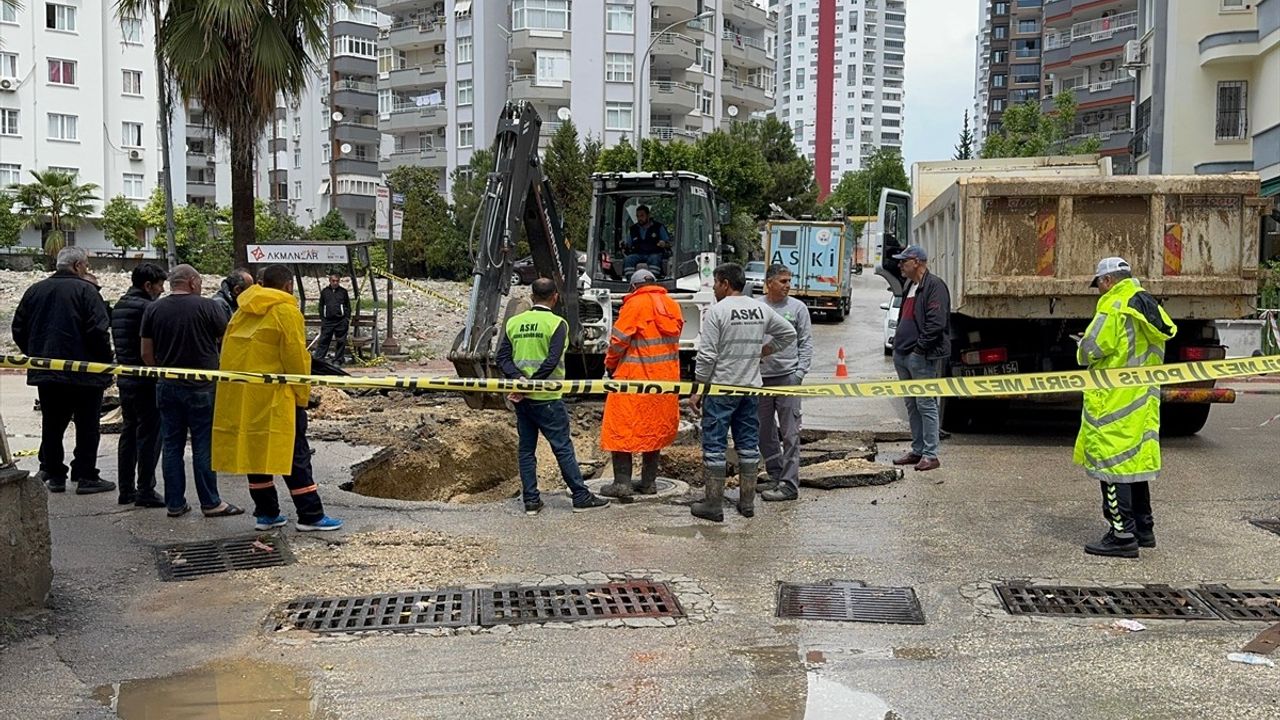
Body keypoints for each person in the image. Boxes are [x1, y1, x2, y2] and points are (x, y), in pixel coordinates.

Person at [213, 264, 343, 532]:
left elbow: (228, 350)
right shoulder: (286, 311)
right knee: (295, 455)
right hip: (278, 399)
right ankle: (310, 515)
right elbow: (296, 357)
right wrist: (302, 396)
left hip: (246, 396)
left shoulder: (243, 310)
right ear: (288, 286)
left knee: (256, 454)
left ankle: (267, 513)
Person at [1075, 257, 1176, 558]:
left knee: (1112, 467)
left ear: (1108, 281)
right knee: (1135, 466)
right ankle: (1144, 530)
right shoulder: (1149, 304)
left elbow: (1092, 348)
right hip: (1143, 399)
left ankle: (1121, 534)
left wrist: (1080, 347)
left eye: (1099, 285)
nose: (1099, 291)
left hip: (1114, 400)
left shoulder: (1113, 306)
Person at [690, 263, 797, 522]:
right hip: (750, 389)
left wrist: (698, 389)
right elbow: (789, 334)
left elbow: (707, 356)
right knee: (748, 443)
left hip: (722, 388)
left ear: (726, 283)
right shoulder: (760, 309)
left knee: (715, 444)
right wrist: (764, 352)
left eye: (716, 283)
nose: (715, 288)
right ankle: (747, 502)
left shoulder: (717, 311)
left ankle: (713, 504)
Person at [495, 278, 610, 516]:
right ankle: (580, 496)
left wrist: (520, 380)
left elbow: (502, 358)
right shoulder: (558, 324)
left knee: (526, 450)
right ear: (555, 297)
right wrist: (533, 384)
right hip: (547, 398)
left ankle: (531, 501)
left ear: (531, 296)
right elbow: (552, 359)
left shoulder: (514, 323)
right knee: (562, 447)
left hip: (522, 399)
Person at [10, 247, 115, 495]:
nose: (87, 269)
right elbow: (99, 331)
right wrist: (104, 364)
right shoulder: (86, 291)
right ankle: (86, 474)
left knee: (53, 424)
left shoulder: (35, 291)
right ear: (78, 266)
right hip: (86, 374)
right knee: (87, 425)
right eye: (86, 265)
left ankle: (54, 474)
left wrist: (36, 354)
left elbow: (18, 328)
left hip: (47, 373)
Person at [141, 264, 242, 519]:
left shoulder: (153, 309)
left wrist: (161, 372)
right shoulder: (208, 307)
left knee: (172, 445)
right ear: (192, 282)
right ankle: (210, 502)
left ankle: (175, 504)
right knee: (203, 445)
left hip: (167, 387)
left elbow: (145, 353)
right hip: (203, 387)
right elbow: (227, 340)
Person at [598, 269, 684, 499]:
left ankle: (622, 484)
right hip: (665, 381)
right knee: (654, 429)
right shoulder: (671, 305)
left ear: (633, 287)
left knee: (620, 429)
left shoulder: (635, 305)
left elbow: (618, 341)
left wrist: (610, 364)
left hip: (632, 380)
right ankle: (649, 482)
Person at [110, 263, 168, 508]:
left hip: (125, 379)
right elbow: (152, 346)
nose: (162, 290)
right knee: (150, 435)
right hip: (146, 380)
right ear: (148, 285)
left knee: (129, 433)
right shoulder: (149, 308)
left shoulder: (120, 305)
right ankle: (146, 489)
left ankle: (126, 489)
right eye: (159, 285)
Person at [890, 245, 951, 472]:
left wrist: (919, 351)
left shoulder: (934, 286)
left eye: (903, 261)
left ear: (916, 261)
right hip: (903, 355)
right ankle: (917, 450)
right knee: (912, 404)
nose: (900, 265)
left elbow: (936, 323)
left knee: (926, 404)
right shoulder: (911, 285)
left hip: (920, 357)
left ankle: (930, 454)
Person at [756, 264, 814, 502]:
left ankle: (789, 484)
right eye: (782, 281)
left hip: (788, 377)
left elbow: (806, 343)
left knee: (790, 434)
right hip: (760, 379)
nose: (787, 286)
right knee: (764, 432)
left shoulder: (798, 308)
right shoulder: (757, 307)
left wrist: (799, 374)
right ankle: (775, 474)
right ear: (769, 283)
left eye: (789, 281)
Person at [315, 273, 352, 364]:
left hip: (340, 321)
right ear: (330, 281)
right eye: (333, 281)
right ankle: (319, 359)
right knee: (324, 340)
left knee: (341, 341)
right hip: (328, 321)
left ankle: (338, 359)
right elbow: (321, 305)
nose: (335, 283)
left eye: (337, 281)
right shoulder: (325, 292)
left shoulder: (343, 292)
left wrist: (346, 318)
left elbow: (347, 306)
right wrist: (323, 318)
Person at [623, 205, 671, 275]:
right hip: (638, 253)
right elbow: (628, 245)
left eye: (642, 216)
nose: (639, 218)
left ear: (648, 215)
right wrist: (624, 245)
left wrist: (664, 244)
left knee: (654, 259)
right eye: (638, 216)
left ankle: (652, 280)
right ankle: (631, 280)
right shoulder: (633, 229)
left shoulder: (658, 227)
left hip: (654, 253)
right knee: (629, 259)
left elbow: (669, 243)